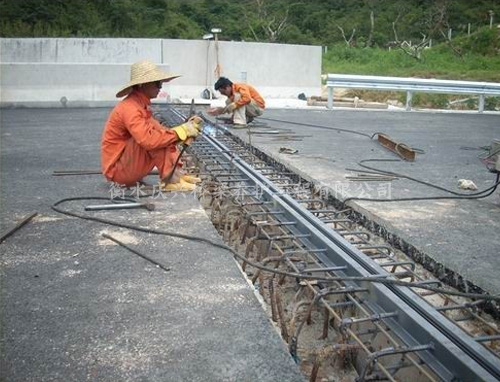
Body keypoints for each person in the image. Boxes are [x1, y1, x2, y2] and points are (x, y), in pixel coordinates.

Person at [101, 60, 202, 191]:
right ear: (143, 84)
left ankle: (176, 174)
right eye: (157, 83)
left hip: (125, 166)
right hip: (118, 172)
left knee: (163, 134)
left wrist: (184, 131)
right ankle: (171, 180)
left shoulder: (139, 106)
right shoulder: (130, 108)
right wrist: (181, 131)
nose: (160, 87)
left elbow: (163, 132)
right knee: (155, 138)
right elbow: (149, 140)